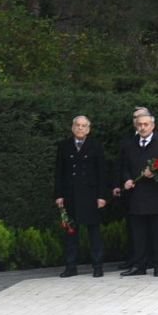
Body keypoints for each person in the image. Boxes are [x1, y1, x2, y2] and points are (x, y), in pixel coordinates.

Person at [115, 110, 158, 276]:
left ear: (152, 125)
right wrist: (126, 179)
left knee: (156, 233)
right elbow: (124, 166)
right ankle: (139, 265)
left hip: (156, 196)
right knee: (138, 233)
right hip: (136, 196)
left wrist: (155, 174)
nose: (142, 127)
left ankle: (157, 265)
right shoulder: (129, 143)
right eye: (139, 124)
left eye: (146, 124)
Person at [54, 115, 109, 277]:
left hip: (90, 195)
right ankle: (71, 266)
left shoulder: (96, 146)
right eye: (77, 125)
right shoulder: (64, 146)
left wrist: (102, 196)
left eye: (84, 126)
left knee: (94, 233)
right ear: (72, 127)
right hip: (70, 195)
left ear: (89, 129)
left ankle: (98, 266)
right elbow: (59, 173)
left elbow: (102, 172)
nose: (80, 128)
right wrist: (59, 195)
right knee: (71, 233)